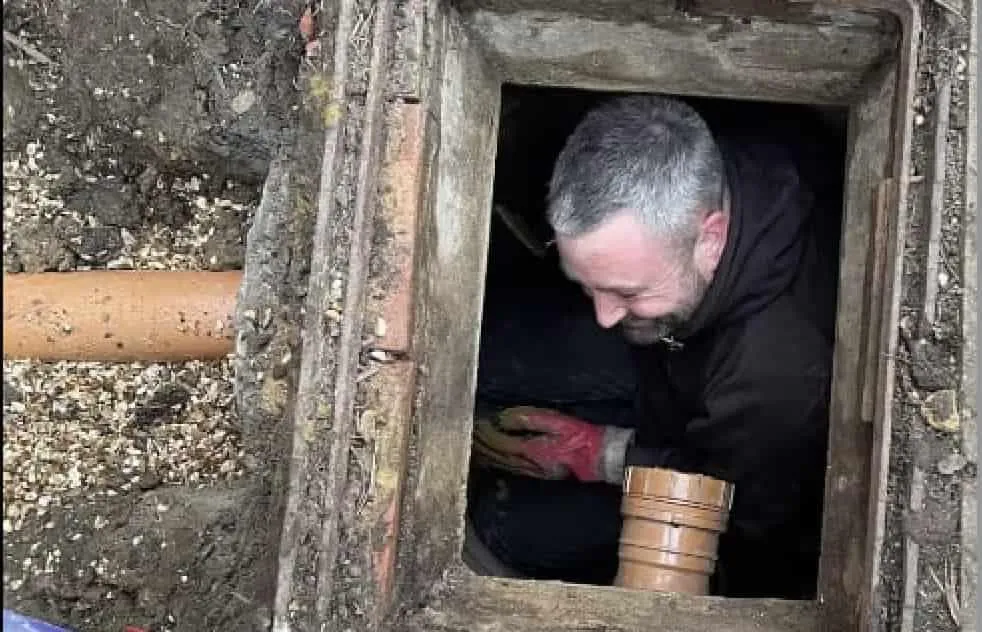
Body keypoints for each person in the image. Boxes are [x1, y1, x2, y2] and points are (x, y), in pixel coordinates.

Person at [467, 94, 842, 599]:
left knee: (502, 523)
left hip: (713, 438)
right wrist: (628, 297)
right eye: (584, 280)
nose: (603, 316)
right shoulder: (697, 158)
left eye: (626, 291)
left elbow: (745, 508)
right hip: (670, 355)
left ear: (710, 237)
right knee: (488, 351)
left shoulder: (777, 381)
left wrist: (606, 454)